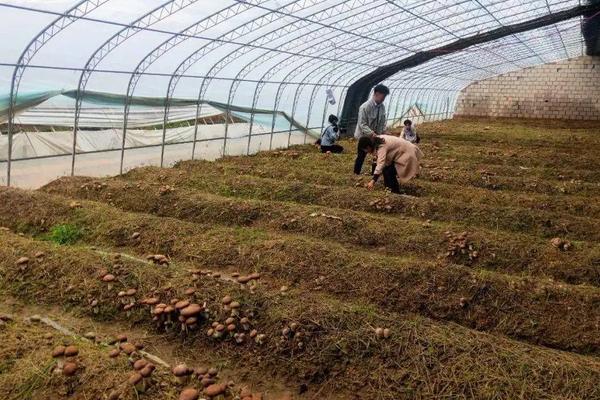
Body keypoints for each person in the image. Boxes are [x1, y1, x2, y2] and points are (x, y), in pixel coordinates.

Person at [358, 134, 423, 193]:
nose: (365, 151)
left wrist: (373, 181)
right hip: (401, 152)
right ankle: (388, 188)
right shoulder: (377, 141)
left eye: (365, 149)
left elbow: (381, 163)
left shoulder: (381, 146)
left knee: (389, 171)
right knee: (386, 169)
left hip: (407, 153)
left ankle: (395, 191)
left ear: (368, 146)